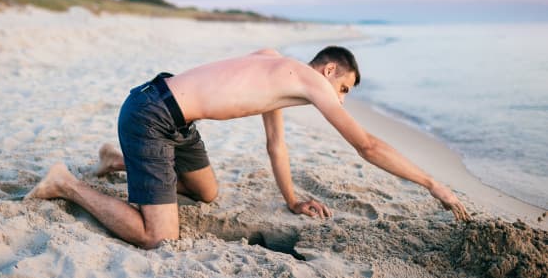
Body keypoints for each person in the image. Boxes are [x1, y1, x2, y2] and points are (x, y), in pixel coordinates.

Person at [26, 46, 470, 249]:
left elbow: (275, 145)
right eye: (345, 88)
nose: (340, 98)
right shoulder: (312, 82)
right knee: (157, 235)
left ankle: (115, 160)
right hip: (151, 116)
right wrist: (433, 183)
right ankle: (65, 183)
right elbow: (367, 145)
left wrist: (292, 198)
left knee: (208, 192)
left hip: (174, 114)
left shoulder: (277, 64)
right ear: (330, 69)